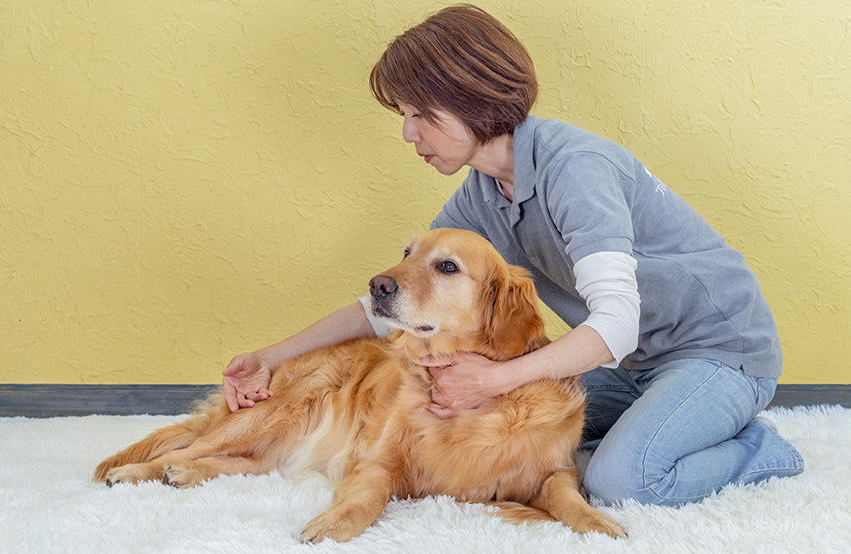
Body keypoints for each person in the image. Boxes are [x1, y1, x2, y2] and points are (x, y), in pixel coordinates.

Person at [222, 4, 803, 506]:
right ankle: (661, 422)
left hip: (719, 355)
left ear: (469, 98)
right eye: (404, 116)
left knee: (622, 481)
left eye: (419, 114)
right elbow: (395, 302)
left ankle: (760, 449)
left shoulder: (575, 170)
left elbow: (617, 324)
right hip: (630, 367)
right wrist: (270, 357)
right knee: (494, 431)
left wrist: (496, 378)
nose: (408, 134)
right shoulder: (480, 196)